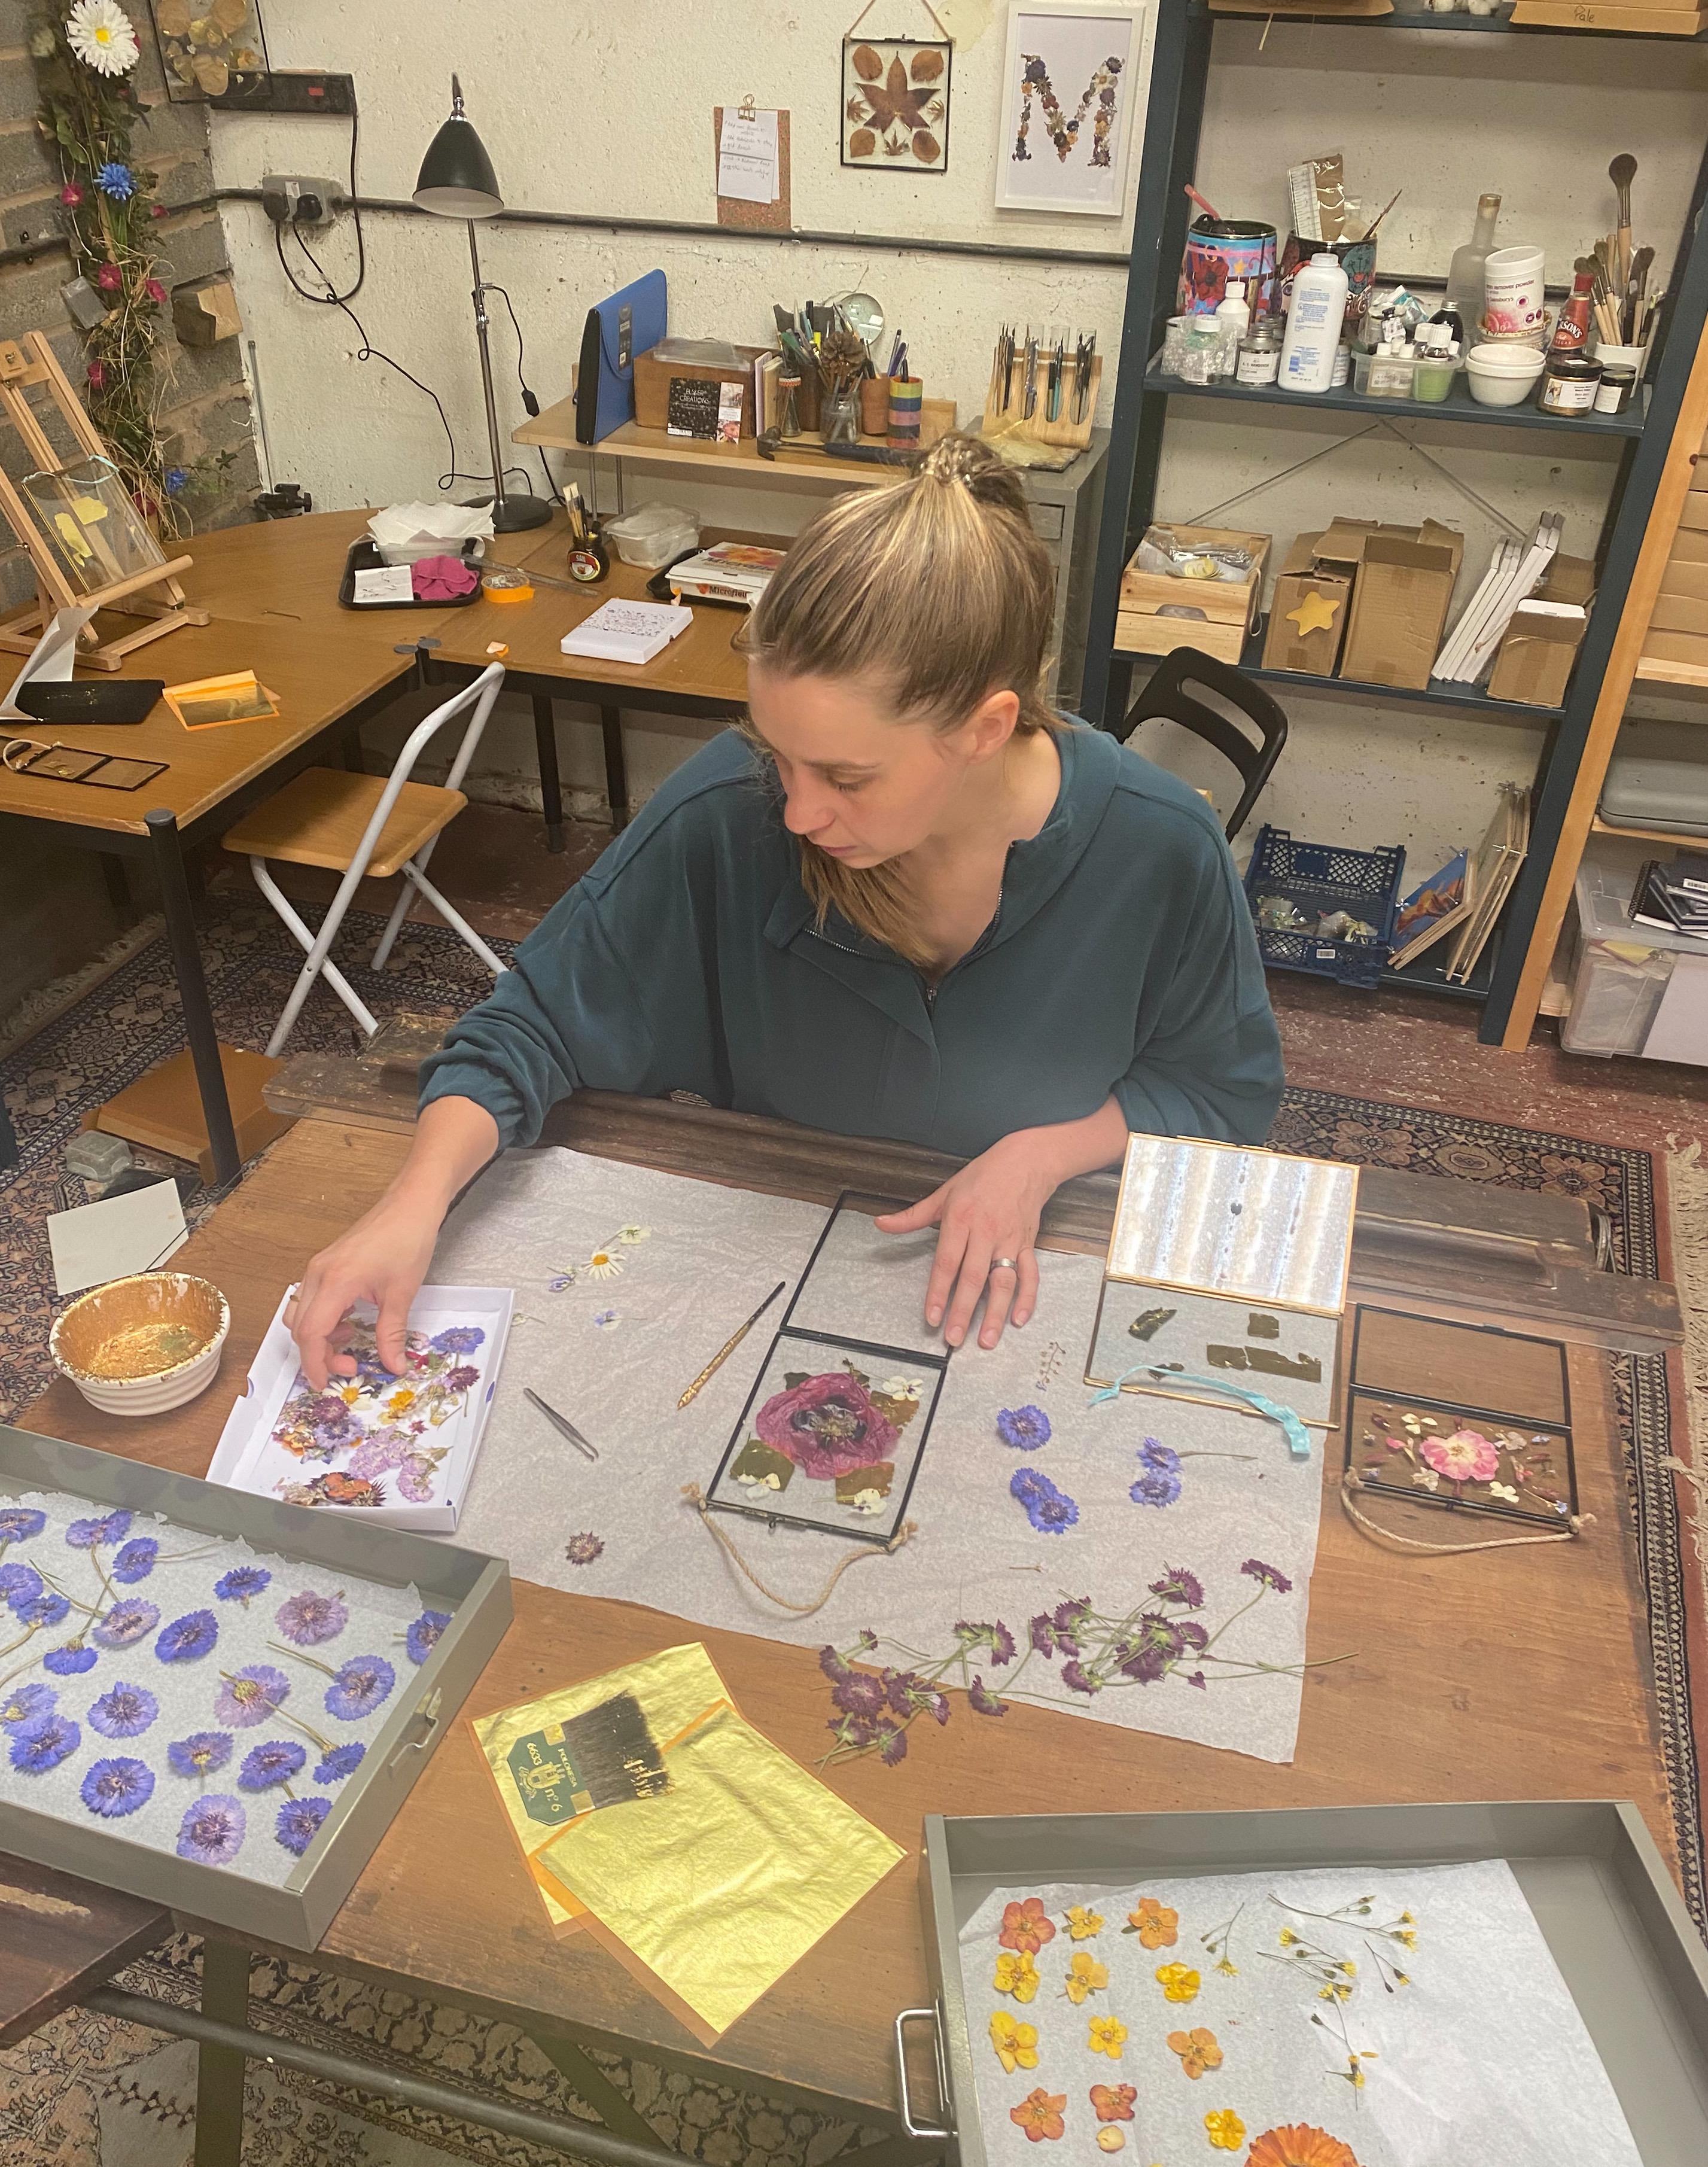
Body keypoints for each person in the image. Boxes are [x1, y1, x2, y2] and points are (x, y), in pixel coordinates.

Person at [289, 434, 1283, 1387]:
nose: (801, 810)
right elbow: (526, 1027)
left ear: (987, 727)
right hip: (762, 1289)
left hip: (1030, 1313)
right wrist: (410, 1207)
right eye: (779, 752)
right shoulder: (736, 812)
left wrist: (1043, 1154)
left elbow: (1222, 1096)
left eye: (848, 775)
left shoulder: (1159, 849)